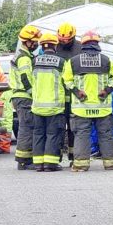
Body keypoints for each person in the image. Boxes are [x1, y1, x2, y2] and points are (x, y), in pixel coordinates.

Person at [62, 30, 113, 172]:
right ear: (97, 44)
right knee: (106, 134)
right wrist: (106, 90)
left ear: (83, 44)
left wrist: (77, 92)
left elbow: (66, 80)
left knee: (82, 134)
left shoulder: (73, 61)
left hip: (82, 107)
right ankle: (111, 163)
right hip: (102, 107)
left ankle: (81, 165)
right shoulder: (106, 60)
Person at [30, 33, 66, 172]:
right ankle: (50, 164)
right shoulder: (62, 62)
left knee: (38, 134)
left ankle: (38, 164)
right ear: (55, 45)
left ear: (42, 46)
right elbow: (67, 82)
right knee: (53, 134)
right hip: (55, 107)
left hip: (37, 106)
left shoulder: (34, 61)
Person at [9, 25, 42, 169]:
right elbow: (25, 78)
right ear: (27, 41)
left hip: (20, 97)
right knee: (27, 127)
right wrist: (34, 94)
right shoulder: (23, 58)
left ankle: (25, 159)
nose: (36, 44)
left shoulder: (25, 56)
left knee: (26, 126)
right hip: (24, 97)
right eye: (34, 42)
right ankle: (24, 161)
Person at [55, 22, 82, 164]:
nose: (64, 42)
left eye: (67, 40)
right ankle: (56, 157)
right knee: (58, 129)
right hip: (58, 97)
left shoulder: (80, 48)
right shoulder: (53, 47)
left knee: (74, 129)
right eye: (61, 40)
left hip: (74, 97)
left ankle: (73, 157)